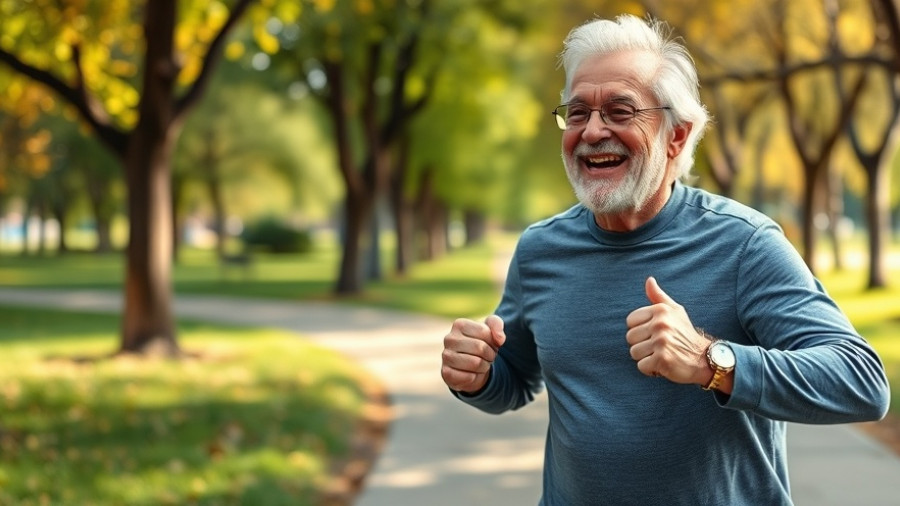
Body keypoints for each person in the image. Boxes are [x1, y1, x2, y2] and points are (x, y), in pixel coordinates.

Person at [439, 13, 890, 506]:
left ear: (677, 135)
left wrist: (710, 362)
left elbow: (861, 382)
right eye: (577, 112)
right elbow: (517, 379)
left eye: (619, 110)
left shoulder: (745, 245)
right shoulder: (540, 250)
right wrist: (479, 375)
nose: (591, 131)